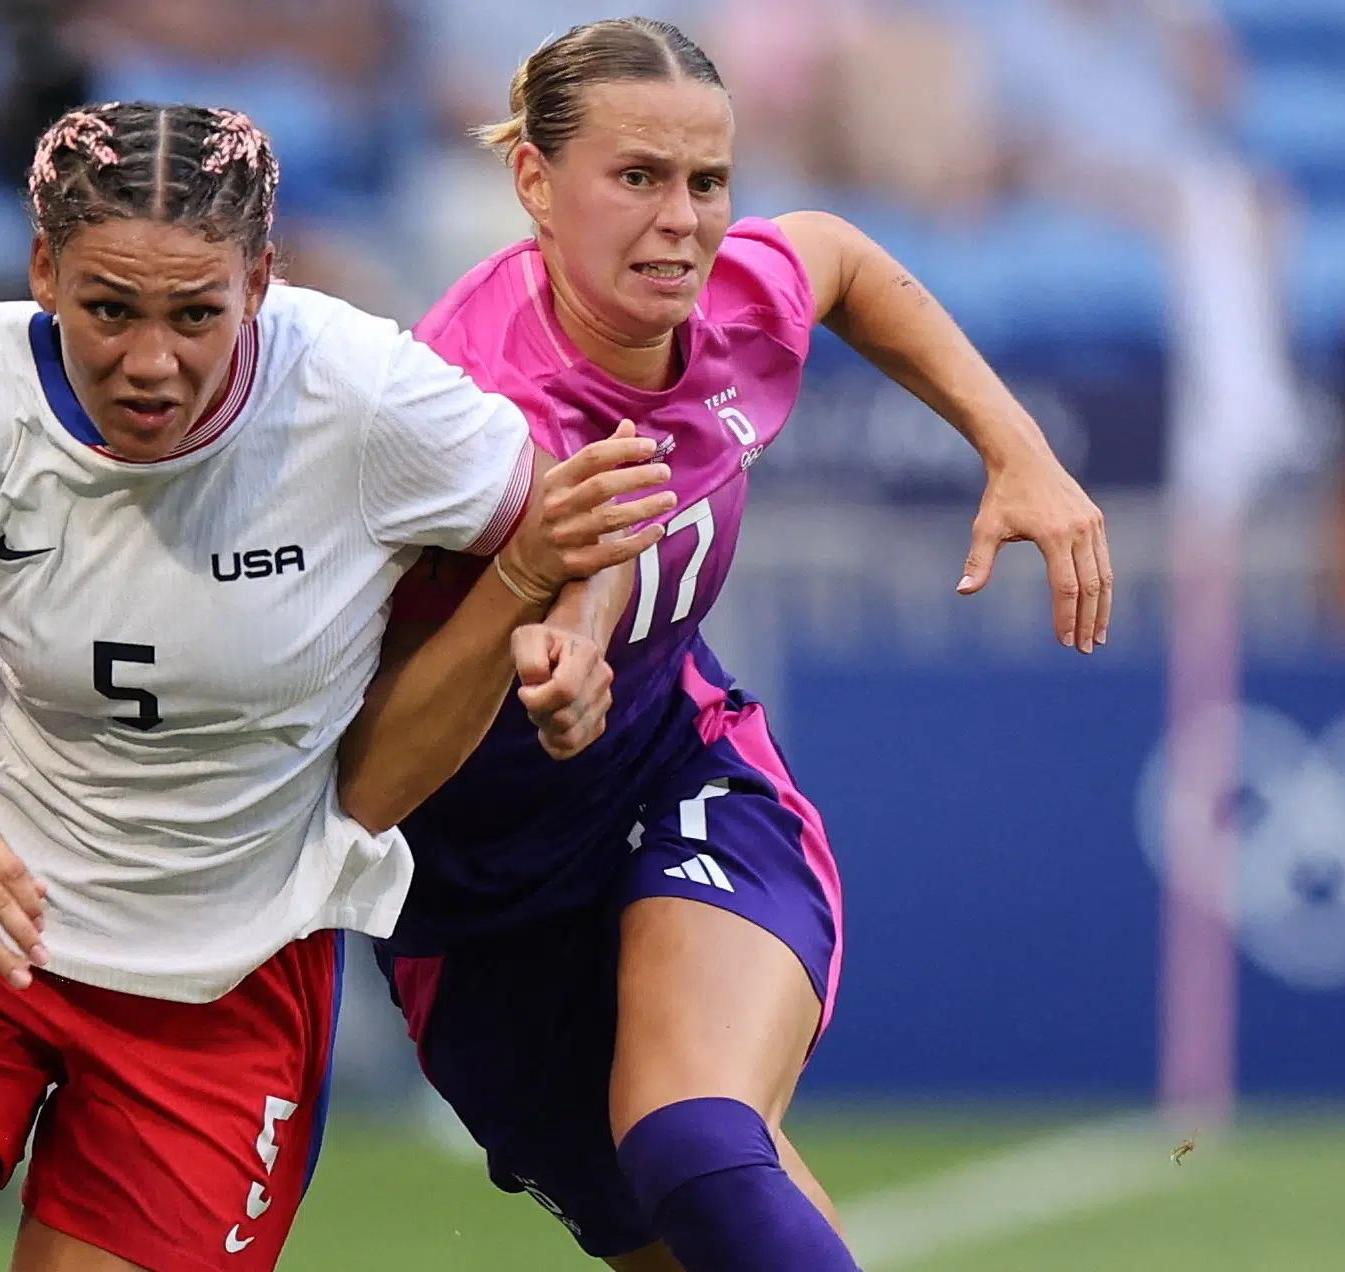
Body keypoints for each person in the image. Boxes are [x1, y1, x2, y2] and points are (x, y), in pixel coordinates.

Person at [0, 101, 668, 1272]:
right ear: (42, 269)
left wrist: (575, 631)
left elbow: (593, 518)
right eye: (106, 309)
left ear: (260, 281)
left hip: (222, 985)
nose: (149, 361)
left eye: (196, 315)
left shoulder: (359, 391)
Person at [366, 19, 1114, 1272]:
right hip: (475, 909)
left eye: (706, 181)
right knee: (701, 1229)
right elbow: (574, 531)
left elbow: (838, 260)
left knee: (696, 1142)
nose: (682, 220)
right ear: (533, 186)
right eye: (637, 178)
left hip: (675, 781)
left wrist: (1014, 446)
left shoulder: (731, 300)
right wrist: (555, 639)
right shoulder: (451, 407)